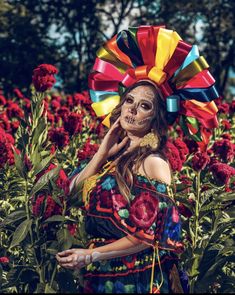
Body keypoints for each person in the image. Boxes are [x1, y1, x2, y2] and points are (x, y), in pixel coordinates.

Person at [56, 25, 219, 293]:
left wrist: (90, 255)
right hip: (100, 274)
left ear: (156, 118)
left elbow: (149, 235)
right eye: (129, 100)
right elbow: (67, 195)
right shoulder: (110, 160)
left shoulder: (153, 163)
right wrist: (101, 152)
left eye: (144, 105)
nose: (131, 109)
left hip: (137, 277)